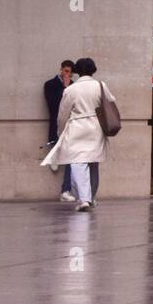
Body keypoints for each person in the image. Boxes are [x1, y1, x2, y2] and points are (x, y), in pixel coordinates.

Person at [43, 58, 112, 212]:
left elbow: (62, 115)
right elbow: (111, 101)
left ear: (77, 71)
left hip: (77, 127)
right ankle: (91, 197)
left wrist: (61, 132)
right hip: (96, 127)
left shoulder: (71, 89)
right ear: (93, 69)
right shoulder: (100, 85)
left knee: (77, 163)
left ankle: (84, 199)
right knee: (93, 163)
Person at [44, 60, 75, 202]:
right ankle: (54, 153)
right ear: (61, 70)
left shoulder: (74, 87)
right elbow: (53, 105)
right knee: (58, 149)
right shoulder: (50, 84)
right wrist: (65, 89)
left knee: (71, 159)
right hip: (56, 126)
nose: (68, 74)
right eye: (66, 71)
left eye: (70, 72)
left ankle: (66, 190)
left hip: (70, 127)